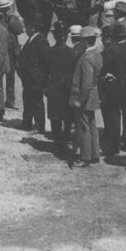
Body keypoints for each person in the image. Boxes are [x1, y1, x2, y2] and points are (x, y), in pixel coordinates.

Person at [99, 23, 126, 156]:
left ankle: (113, 146)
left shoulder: (112, 51)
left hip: (114, 87)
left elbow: (104, 67)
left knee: (113, 116)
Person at [69, 26, 102, 168]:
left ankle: (85, 157)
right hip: (93, 95)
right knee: (92, 125)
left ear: (85, 41)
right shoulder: (97, 54)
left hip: (85, 96)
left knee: (84, 127)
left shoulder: (87, 58)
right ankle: (94, 154)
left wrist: (80, 101)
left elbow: (86, 83)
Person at [45, 22, 76, 157]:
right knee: (67, 117)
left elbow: (45, 71)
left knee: (55, 118)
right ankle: (65, 142)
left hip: (53, 88)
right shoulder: (72, 52)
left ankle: (58, 145)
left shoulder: (50, 52)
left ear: (54, 35)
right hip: (67, 89)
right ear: (66, 36)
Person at [18, 19, 50, 134]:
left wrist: (40, 76)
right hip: (28, 78)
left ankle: (39, 126)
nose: (25, 29)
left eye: (26, 26)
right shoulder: (32, 39)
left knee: (36, 102)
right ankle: (27, 123)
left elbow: (46, 61)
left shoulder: (41, 40)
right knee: (27, 100)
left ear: (33, 27)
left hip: (36, 79)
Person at [0, 0, 23, 109]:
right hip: (2, 50)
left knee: (10, 75)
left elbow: (19, 30)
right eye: (4, 8)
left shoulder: (13, 18)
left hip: (12, 50)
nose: (6, 10)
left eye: (7, 7)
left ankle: (10, 99)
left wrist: (11, 19)